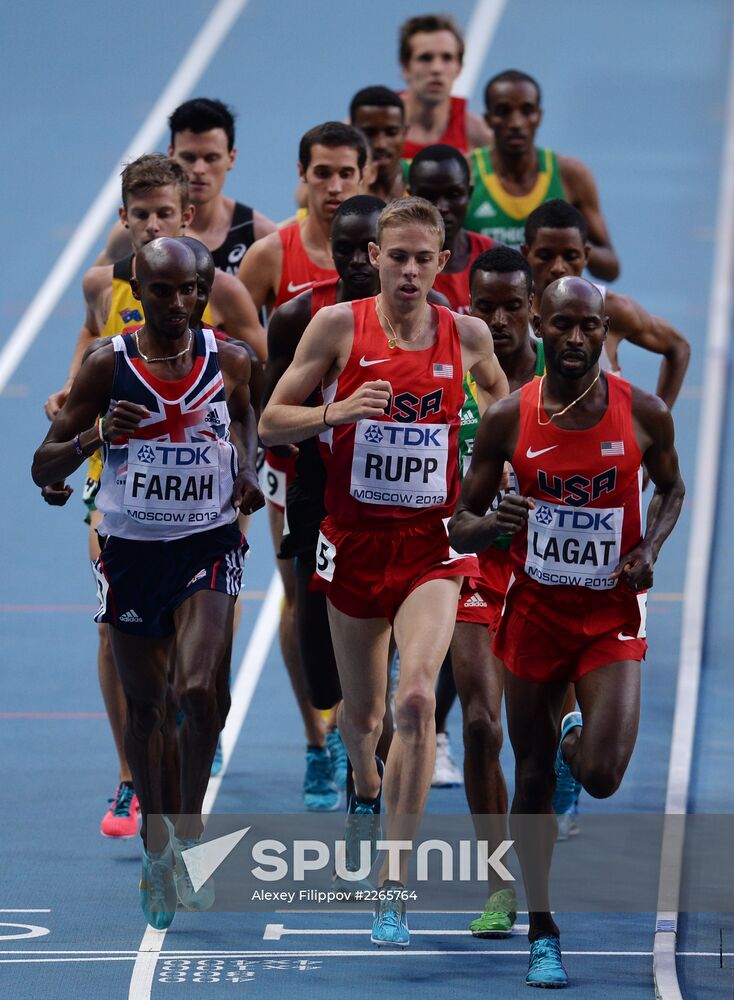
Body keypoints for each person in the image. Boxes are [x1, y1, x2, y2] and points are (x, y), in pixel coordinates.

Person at [260, 197, 508, 947]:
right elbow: (272, 420)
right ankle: (363, 792)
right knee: (362, 721)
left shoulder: (466, 334)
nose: (407, 270)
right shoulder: (337, 327)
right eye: (394, 256)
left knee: (416, 701)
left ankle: (393, 885)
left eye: (421, 258)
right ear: (373, 256)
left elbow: (505, 406)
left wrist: (496, 477)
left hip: (431, 547)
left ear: (442, 263)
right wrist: (337, 415)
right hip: (353, 543)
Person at [449, 276, 684, 987]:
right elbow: (461, 521)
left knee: (603, 777)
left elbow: (671, 488)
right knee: (528, 774)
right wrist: (496, 527)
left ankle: (577, 738)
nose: (577, 340)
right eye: (564, 326)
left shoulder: (641, 413)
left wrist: (651, 549)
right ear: (539, 327)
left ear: (604, 329)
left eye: (590, 326)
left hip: (608, 616)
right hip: (536, 618)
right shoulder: (508, 419)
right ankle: (542, 927)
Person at [32, 238, 264, 930]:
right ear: (139, 289)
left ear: (206, 288)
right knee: (147, 711)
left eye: (189, 289)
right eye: (161, 291)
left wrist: (248, 469)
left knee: (197, 688)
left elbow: (249, 418)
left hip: (208, 542)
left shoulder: (232, 360)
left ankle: (189, 830)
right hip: (132, 549)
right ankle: (157, 845)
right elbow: (43, 466)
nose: (176, 303)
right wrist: (93, 436)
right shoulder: (110, 364)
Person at [452, 245, 542, 936]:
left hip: (553, 577)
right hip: (473, 564)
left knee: (534, 741)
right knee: (481, 726)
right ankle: (500, 885)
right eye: (487, 307)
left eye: (515, 305)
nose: (502, 319)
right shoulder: (447, 368)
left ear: (534, 307)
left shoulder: (568, 369)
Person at [523, 199, 690, 403]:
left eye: (570, 256)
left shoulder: (612, 308)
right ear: (526, 253)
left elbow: (678, 346)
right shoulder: (513, 315)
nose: (558, 267)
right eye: (545, 256)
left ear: (586, 255)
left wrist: (662, 418)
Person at [465, 70, 619, 281]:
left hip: (551, 307)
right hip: (481, 308)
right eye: (504, 111)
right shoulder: (465, 173)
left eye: (527, 111)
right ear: (488, 119)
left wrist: (567, 246)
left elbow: (610, 268)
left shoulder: (570, 175)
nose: (516, 123)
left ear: (539, 116)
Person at [98, 98, 276, 273]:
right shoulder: (129, 234)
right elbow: (101, 290)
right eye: (189, 158)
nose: (199, 169)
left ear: (231, 158)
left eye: (211, 158)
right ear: (171, 154)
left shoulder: (258, 235)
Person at [408, 144, 495, 315]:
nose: (441, 207)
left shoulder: (493, 257)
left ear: (469, 195)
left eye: (453, 195)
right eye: (428, 196)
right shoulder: (397, 267)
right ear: (410, 196)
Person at [398, 14, 492, 160]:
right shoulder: (371, 124)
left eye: (447, 58)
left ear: (459, 68)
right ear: (405, 67)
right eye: (425, 58)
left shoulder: (477, 134)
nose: (437, 68)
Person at [349, 87, 408, 200]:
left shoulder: (424, 177)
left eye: (391, 132)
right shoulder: (337, 190)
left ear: (405, 132)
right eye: (369, 133)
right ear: (351, 133)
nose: (380, 144)